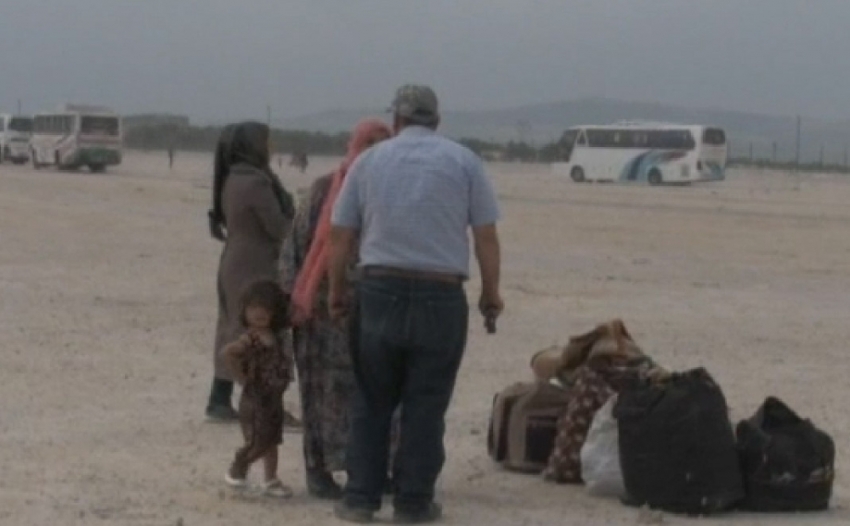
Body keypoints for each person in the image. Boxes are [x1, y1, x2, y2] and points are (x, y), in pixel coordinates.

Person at [328, 85, 503, 523]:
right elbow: (485, 235)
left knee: (372, 400)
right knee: (427, 404)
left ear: (398, 121)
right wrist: (490, 293)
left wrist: (336, 291)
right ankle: (413, 502)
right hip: (440, 296)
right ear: (436, 121)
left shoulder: (369, 161)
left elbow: (340, 235)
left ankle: (360, 498)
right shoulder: (464, 161)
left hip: (378, 291)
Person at [280, 119, 397, 499]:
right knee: (320, 397)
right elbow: (296, 246)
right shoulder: (321, 190)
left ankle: (369, 470)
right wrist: (292, 300)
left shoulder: (393, 195)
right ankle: (320, 474)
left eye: (384, 143)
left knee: (375, 394)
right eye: (369, 143)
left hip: (374, 310)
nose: (376, 151)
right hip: (320, 316)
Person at [205, 122, 296, 421]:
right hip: (255, 263)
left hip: (235, 260)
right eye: (267, 142)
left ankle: (219, 399)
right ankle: (266, 406)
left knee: (232, 326)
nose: (271, 147)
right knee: (260, 331)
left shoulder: (233, 177)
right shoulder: (256, 183)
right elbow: (278, 227)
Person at [222, 279, 294, 498]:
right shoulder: (249, 339)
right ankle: (238, 467)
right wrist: (242, 377)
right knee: (258, 440)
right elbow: (227, 353)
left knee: (272, 440)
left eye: (266, 309)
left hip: (273, 398)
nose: (260, 313)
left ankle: (270, 479)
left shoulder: (277, 338)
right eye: (254, 308)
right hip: (255, 399)